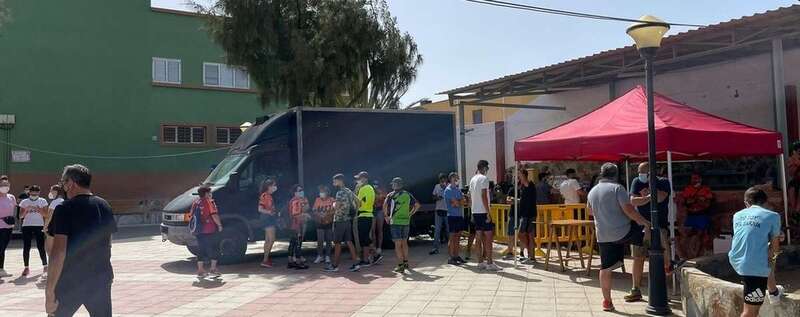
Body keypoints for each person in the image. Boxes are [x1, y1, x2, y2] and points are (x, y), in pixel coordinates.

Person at [46, 164, 118, 317]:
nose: (63, 186)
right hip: (100, 278)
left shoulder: (64, 209)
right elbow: (109, 242)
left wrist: (49, 291)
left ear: (71, 183)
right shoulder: (104, 205)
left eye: (63, 182)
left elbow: (58, 252)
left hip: (71, 281)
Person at [587, 163, 650, 312]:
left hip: (603, 234)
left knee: (605, 268)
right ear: (615, 175)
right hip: (623, 231)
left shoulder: (592, 191)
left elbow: (589, 211)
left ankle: (607, 302)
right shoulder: (617, 188)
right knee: (650, 234)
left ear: (602, 174)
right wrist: (645, 223)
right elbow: (629, 211)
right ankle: (661, 260)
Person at [728, 187, 785, 316]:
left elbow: (749, 234)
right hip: (753, 266)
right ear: (765, 202)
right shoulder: (773, 216)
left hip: (736, 259)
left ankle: (773, 291)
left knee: (755, 309)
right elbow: (775, 248)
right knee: (750, 312)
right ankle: (773, 292)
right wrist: (774, 255)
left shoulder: (737, 215)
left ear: (746, 203)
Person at [627, 162, 672, 302]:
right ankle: (635, 289)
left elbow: (661, 198)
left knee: (662, 258)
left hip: (659, 225)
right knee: (638, 257)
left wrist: (651, 188)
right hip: (641, 225)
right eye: (639, 172)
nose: (640, 175)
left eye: (643, 173)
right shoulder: (636, 181)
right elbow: (633, 201)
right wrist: (647, 197)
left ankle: (663, 291)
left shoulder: (663, 182)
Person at [384, 177, 420, 273]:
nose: (392, 185)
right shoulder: (407, 194)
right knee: (404, 243)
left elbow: (384, 205)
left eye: (393, 184)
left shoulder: (391, 195)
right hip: (406, 222)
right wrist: (410, 214)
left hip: (395, 222)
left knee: (397, 244)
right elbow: (417, 205)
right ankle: (406, 262)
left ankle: (400, 266)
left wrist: (386, 216)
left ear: (395, 184)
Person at [470, 160, 501, 271]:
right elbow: (484, 196)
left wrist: (472, 212)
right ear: (484, 168)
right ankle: (490, 263)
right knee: (488, 237)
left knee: (478, 237)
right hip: (483, 211)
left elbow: (471, 197)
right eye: (487, 168)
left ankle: (480, 262)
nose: (487, 170)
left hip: (475, 211)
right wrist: (488, 213)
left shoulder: (472, 179)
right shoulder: (484, 179)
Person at [325, 174, 360, 272]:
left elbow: (336, 207)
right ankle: (356, 263)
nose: (333, 183)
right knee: (349, 241)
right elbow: (358, 201)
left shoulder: (339, 193)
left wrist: (333, 204)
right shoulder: (348, 191)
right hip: (348, 220)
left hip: (339, 221)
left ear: (340, 181)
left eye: (335, 181)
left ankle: (335, 266)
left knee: (337, 243)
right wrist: (354, 212)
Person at [676, 173, 714, 260]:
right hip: (691, 215)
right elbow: (686, 201)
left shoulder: (705, 189)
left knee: (701, 235)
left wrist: (696, 199)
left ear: (700, 179)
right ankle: (686, 255)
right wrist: (698, 199)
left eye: (697, 178)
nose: (695, 180)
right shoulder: (688, 189)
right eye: (693, 178)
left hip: (702, 215)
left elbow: (708, 200)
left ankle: (698, 255)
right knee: (688, 235)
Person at [190, 185, 223, 278]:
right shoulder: (209, 202)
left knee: (201, 249)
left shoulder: (195, 202)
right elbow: (214, 215)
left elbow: (191, 215)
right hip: (210, 229)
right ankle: (213, 269)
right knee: (215, 248)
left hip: (198, 230)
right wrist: (219, 225)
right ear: (206, 194)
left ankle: (200, 270)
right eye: (210, 192)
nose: (211, 194)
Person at [19, 184, 48, 277]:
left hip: (39, 226)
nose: (34, 194)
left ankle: (45, 265)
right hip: (27, 226)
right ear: (29, 192)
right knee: (26, 247)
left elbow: (46, 215)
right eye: (32, 192)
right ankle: (26, 267)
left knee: (41, 247)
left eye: (36, 192)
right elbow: (20, 216)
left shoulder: (42, 201)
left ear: (39, 192)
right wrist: (26, 210)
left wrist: (38, 209)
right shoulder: (24, 201)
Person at [509, 169, 537, 263]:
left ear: (524, 175)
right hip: (524, 214)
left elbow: (527, 199)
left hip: (528, 214)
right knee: (525, 235)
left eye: (519, 175)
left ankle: (531, 255)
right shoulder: (522, 187)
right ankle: (530, 254)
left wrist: (516, 201)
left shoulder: (529, 184)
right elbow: (524, 200)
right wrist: (516, 200)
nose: (518, 176)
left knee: (525, 234)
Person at [354, 171, 381, 269]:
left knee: (364, 239)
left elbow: (358, 203)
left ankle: (366, 259)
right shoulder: (371, 188)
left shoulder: (364, 188)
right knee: (365, 238)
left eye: (359, 178)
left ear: (364, 178)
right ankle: (373, 255)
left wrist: (356, 192)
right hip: (368, 214)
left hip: (363, 215)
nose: (358, 181)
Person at [443, 172, 467, 265]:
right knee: (452, 237)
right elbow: (456, 203)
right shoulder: (448, 190)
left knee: (458, 237)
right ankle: (451, 257)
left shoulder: (457, 189)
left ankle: (456, 256)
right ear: (452, 178)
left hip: (459, 216)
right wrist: (458, 202)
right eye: (456, 177)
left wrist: (459, 202)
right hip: (452, 216)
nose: (457, 179)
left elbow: (463, 202)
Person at [287, 185, 310, 269]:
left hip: (293, 225)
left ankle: (290, 261)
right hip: (296, 225)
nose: (301, 192)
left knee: (292, 243)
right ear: (295, 192)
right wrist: (304, 215)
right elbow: (295, 214)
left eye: (302, 190)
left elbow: (305, 209)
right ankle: (298, 262)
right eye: (299, 190)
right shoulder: (295, 201)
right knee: (297, 244)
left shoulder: (296, 200)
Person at [259, 179, 279, 268]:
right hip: (267, 219)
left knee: (268, 240)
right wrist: (269, 212)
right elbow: (260, 209)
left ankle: (266, 259)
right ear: (269, 186)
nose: (275, 187)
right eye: (273, 185)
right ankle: (265, 260)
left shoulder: (269, 196)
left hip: (269, 218)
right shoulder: (264, 196)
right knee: (271, 239)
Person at [313, 185, 335, 265]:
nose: (321, 193)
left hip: (329, 222)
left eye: (323, 192)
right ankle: (320, 256)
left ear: (327, 192)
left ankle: (328, 256)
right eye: (320, 192)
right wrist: (320, 215)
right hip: (319, 222)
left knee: (329, 240)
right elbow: (314, 210)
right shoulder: (317, 200)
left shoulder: (332, 200)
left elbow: (335, 210)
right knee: (320, 240)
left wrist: (327, 214)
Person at [45, 184, 66, 257]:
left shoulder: (54, 202)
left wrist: (45, 227)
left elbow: (49, 216)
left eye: (51, 190)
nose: (50, 192)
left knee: (49, 248)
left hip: (52, 227)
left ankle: (52, 264)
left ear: (56, 192)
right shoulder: (64, 201)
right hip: (62, 227)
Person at [430, 173, 449, 255]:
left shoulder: (449, 187)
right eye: (441, 180)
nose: (443, 182)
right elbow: (433, 197)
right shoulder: (437, 186)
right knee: (437, 230)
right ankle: (435, 248)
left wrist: (445, 190)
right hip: (438, 210)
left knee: (449, 230)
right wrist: (437, 198)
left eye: (444, 180)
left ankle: (451, 248)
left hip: (448, 211)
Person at [0, 175, 15, 278]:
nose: (5, 186)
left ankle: (1, 269)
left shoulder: (11, 197)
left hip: (9, 226)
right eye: (2, 185)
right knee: (0, 248)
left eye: (7, 185)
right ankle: (1, 269)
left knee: (3, 248)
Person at [372, 180, 387, 257]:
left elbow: (385, 198)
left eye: (376, 184)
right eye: (374, 184)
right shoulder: (370, 189)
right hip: (373, 210)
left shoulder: (382, 189)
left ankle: (379, 248)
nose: (375, 185)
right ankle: (374, 248)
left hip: (380, 210)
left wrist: (379, 193)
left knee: (380, 230)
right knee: (373, 230)